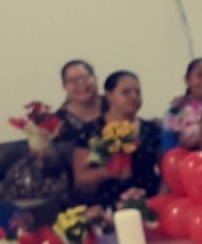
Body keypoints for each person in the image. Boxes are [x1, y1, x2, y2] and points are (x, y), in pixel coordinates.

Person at [69, 71, 161, 208]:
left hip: (148, 202)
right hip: (105, 205)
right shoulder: (91, 130)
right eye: (126, 92)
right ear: (109, 95)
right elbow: (81, 178)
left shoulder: (151, 129)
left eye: (137, 92)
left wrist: (159, 200)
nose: (134, 96)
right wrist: (106, 171)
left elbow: (165, 171)